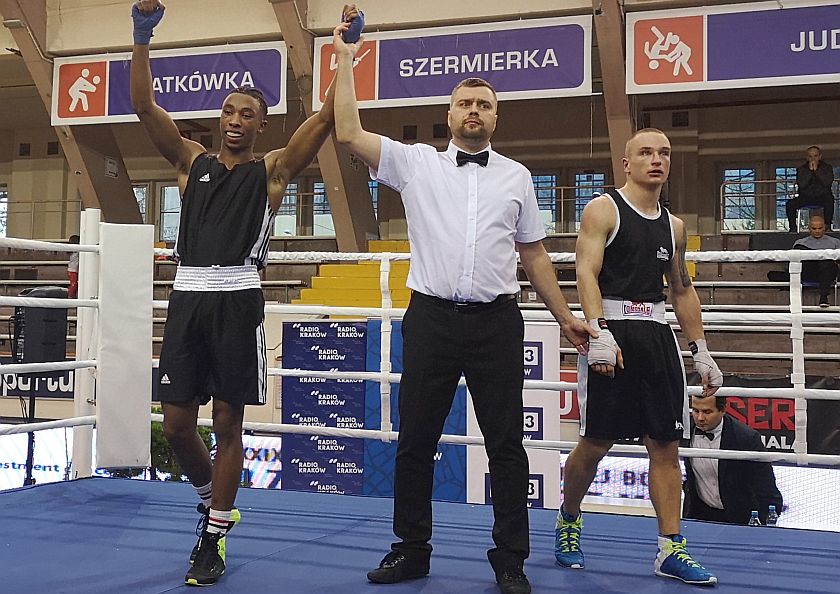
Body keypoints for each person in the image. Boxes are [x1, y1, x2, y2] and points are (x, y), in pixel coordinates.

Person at [331, 25, 595, 594]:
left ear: (496, 118)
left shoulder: (518, 177)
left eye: (484, 104)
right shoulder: (415, 164)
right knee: (416, 440)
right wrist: (346, 57)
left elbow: (533, 254)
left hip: (498, 321)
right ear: (448, 115)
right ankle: (411, 549)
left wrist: (565, 314)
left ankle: (510, 560)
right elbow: (347, 130)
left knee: (506, 444)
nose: (474, 111)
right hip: (430, 317)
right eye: (465, 103)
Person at [130, 0, 347, 586]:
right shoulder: (189, 161)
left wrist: (343, 51)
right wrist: (141, 37)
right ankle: (209, 499)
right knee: (177, 424)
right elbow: (143, 105)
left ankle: (214, 537)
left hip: (238, 299)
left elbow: (325, 119)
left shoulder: (272, 174)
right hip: (187, 298)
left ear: (260, 125)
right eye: (228, 109)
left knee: (228, 422)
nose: (234, 118)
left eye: (247, 112)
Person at [554, 128, 722, 586]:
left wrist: (701, 350)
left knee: (666, 446)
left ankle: (671, 548)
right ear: (626, 163)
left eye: (664, 153)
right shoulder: (603, 209)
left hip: (656, 334)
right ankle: (568, 521)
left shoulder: (675, 226)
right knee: (596, 441)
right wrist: (599, 330)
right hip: (612, 328)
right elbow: (585, 270)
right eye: (645, 152)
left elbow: (682, 289)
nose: (656, 160)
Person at [683, 393, 783, 525]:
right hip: (698, 513)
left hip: (738, 516)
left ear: (723, 410)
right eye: (695, 411)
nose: (700, 418)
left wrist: (765, 524)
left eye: (707, 412)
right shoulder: (685, 430)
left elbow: (766, 485)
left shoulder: (746, 438)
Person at [794, 215, 840, 307]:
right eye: (814, 228)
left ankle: (823, 297)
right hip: (809, 270)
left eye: (820, 228)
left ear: (825, 228)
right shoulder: (800, 243)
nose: (817, 231)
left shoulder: (835, 242)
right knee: (799, 249)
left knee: (826, 263)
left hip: (827, 271)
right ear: (809, 229)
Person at [786, 146, 835, 231]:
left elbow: (827, 183)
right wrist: (810, 171)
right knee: (790, 204)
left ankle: (827, 226)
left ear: (820, 156)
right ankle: (793, 228)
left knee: (830, 201)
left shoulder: (827, 168)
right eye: (810, 156)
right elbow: (802, 184)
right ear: (807, 157)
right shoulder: (801, 169)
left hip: (822, 196)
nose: (813, 159)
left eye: (815, 156)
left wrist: (816, 171)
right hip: (806, 197)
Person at [67, 235, 80, 299]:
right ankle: (70, 296)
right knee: (74, 284)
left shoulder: (72, 251)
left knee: (74, 284)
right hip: (73, 270)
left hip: (72, 269)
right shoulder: (76, 251)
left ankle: (72, 296)